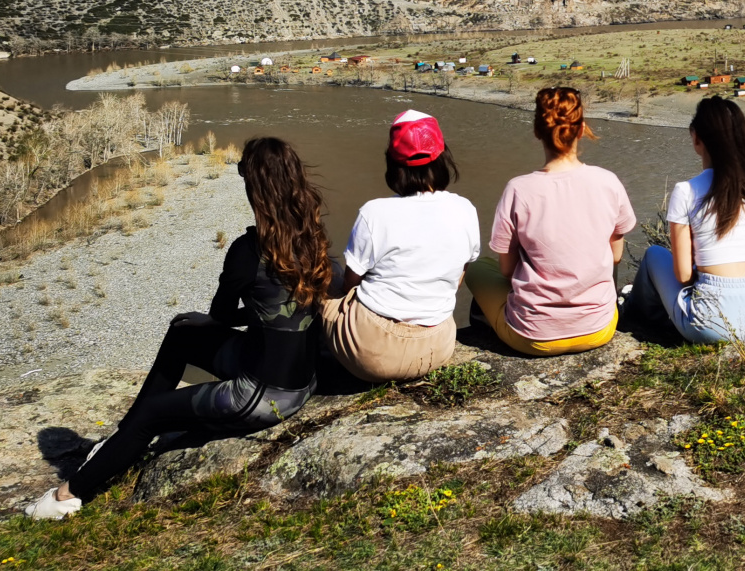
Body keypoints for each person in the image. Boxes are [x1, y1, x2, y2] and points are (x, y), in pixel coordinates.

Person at [25, 136, 328, 519]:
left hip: (261, 397)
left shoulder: (246, 251)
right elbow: (281, 316)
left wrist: (216, 320)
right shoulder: (313, 238)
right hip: (301, 383)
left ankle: (69, 495)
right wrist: (215, 322)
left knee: (153, 414)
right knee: (184, 332)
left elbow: (221, 312)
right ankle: (121, 439)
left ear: (254, 189)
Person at [464, 88, 636, 356]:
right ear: (581, 130)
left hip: (533, 339)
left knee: (476, 268)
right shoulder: (608, 182)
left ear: (537, 131)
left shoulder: (518, 190)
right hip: (599, 330)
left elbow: (507, 271)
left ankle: (490, 322)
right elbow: (616, 256)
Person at [321, 109, 480, 382]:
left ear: (392, 164)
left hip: (372, 355)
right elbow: (457, 279)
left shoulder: (374, 212)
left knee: (325, 276)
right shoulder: (465, 208)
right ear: (443, 158)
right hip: (437, 346)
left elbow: (349, 285)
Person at [627, 97, 745, 343]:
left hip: (713, 325)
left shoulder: (686, 191)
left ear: (696, 138)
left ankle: (639, 321)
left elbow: (682, 276)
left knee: (653, 255)